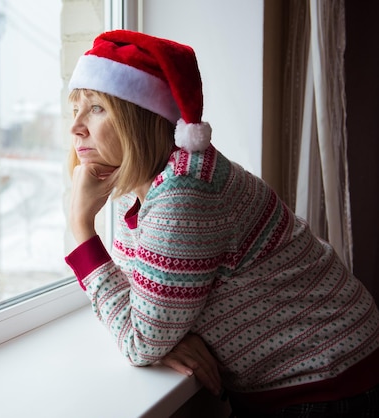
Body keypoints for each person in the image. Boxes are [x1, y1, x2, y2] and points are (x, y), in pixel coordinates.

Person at [64, 29, 379, 418]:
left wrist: (81, 228)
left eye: (96, 108)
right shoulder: (149, 186)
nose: (75, 126)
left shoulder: (184, 193)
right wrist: (165, 337)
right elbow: (146, 306)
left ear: (140, 116)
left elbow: (141, 340)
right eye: (74, 108)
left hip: (328, 380)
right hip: (308, 375)